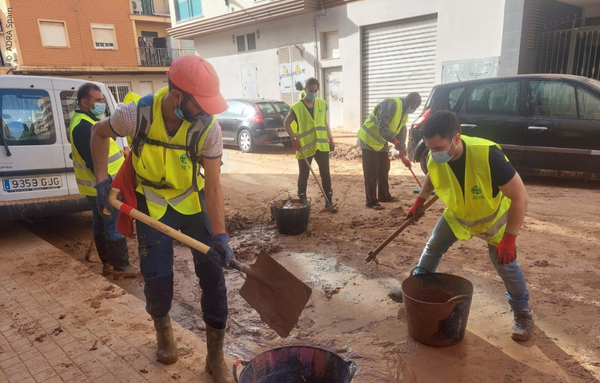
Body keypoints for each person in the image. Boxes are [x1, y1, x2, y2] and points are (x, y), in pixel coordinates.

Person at [90, 56, 235, 383]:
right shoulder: (135, 115)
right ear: (177, 96)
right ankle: (164, 334)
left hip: (191, 202)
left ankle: (215, 356)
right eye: (201, 106)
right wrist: (102, 180)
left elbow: (213, 187)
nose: (206, 113)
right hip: (151, 203)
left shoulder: (208, 127)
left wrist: (221, 235)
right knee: (157, 277)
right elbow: (99, 134)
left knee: (213, 273)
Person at [389, 111, 533, 341]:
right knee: (433, 247)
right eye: (429, 148)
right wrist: (420, 200)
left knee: (506, 266)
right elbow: (432, 174)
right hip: (458, 215)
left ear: (456, 138)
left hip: (492, 220)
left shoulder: (488, 155)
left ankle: (523, 314)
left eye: (438, 148)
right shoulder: (434, 156)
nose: (433, 154)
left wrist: (510, 238)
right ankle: (415, 288)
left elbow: (520, 197)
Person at [69, 82, 138, 279]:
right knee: (112, 224)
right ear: (84, 102)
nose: (102, 103)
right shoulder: (83, 126)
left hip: (95, 187)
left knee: (100, 224)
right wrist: (106, 186)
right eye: (98, 100)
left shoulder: (84, 120)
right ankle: (120, 266)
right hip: (104, 186)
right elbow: (93, 161)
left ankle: (108, 264)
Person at [358, 93, 421, 210]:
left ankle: (384, 195)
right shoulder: (391, 104)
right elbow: (383, 127)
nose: (414, 110)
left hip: (380, 142)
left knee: (384, 167)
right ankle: (371, 201)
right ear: (413, 104)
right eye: (415, 107)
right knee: (372, 170)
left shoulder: (404, 115)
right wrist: (393, 140)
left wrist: (404, 156)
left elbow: (401, 137)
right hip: (368, 138)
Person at [284, 77, 337, 212]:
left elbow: (324, 123)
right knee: (304, 174)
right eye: (311, 91)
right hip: (304, 146)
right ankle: (302, 199)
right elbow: (286, 124)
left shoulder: (321, 104)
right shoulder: (297, 107)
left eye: (315, 91)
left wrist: (330, 138)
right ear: (305, 90)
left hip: (321, 145)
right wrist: (294, 138)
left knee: (325, 173)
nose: (313, 93)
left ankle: (328, 200)